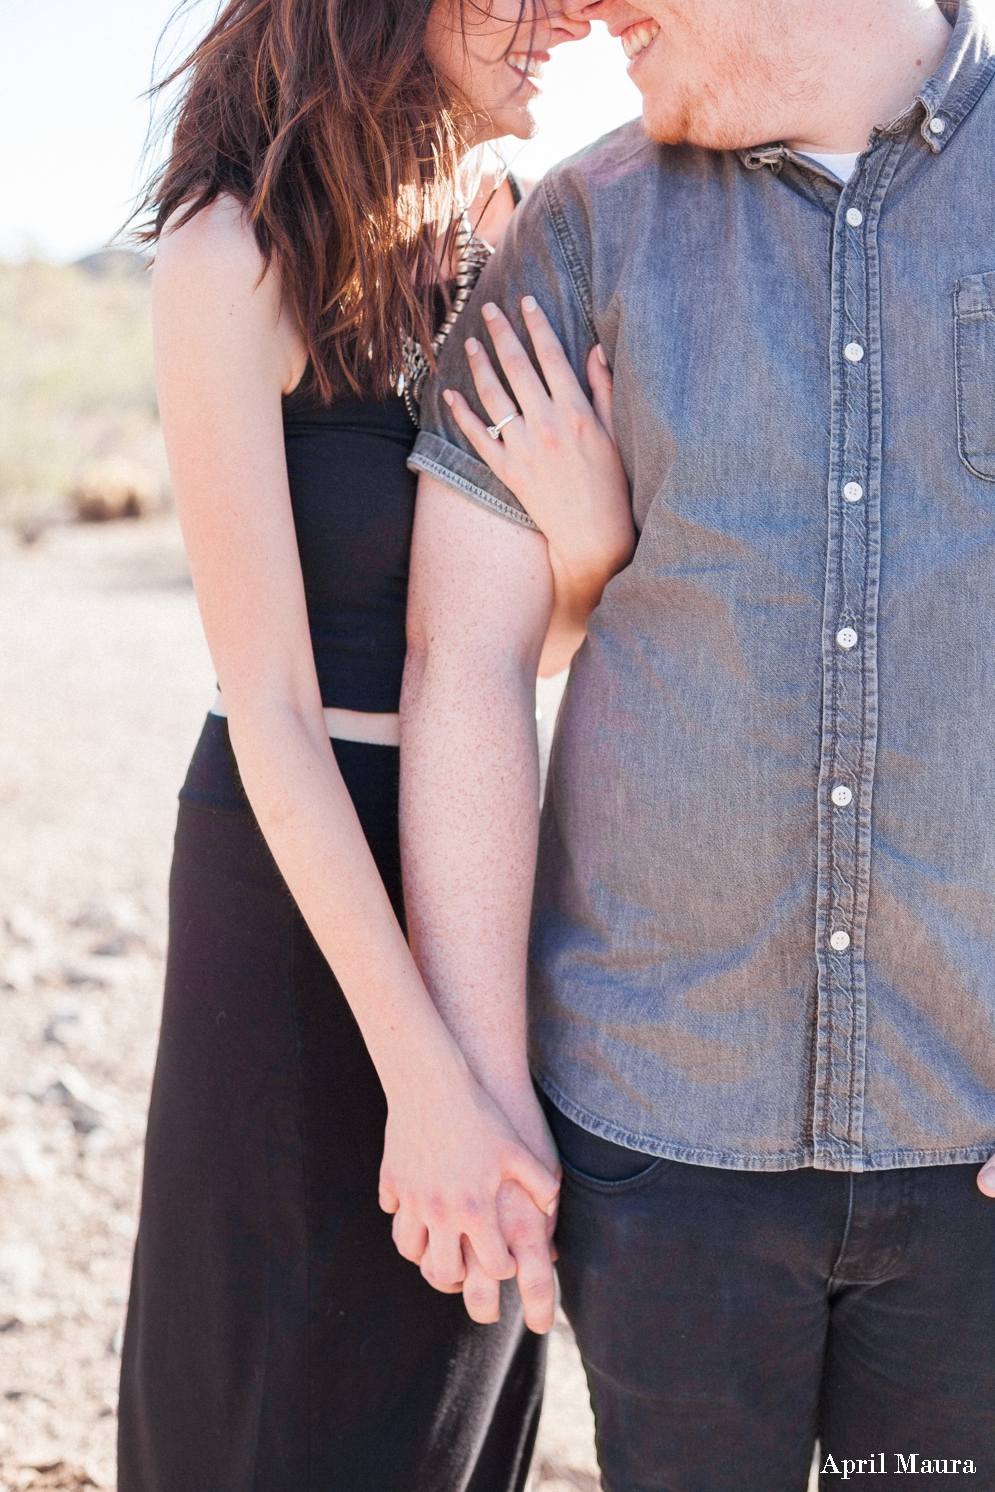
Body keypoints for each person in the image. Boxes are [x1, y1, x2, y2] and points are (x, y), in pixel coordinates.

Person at [401, 0, 995, 1485]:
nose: (588, 10)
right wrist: (479, 1081)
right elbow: (462, 661)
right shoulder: (583, 229)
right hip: (659, 1138)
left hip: (974, 1144)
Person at [114, 0, 633, 1485]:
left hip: (481, 853)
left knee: (456, 1362)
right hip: (292, 886)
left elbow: (502, 649)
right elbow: (268, 699)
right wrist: (424, 1073)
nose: (565, 23)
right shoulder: (236, 256)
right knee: (273, 1394)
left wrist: (588, 560)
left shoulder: (523, 238)